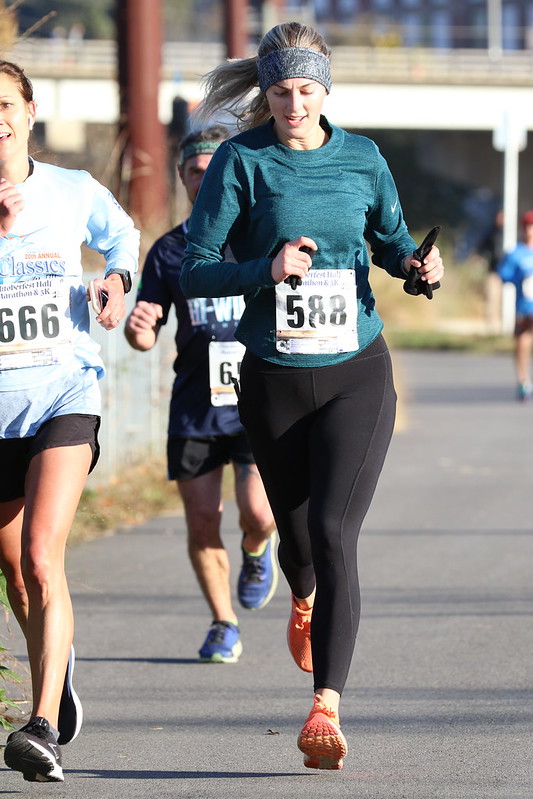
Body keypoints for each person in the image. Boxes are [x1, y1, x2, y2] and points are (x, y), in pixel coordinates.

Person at [180, 22, 444, 770]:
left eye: (305, 90)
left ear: (325, 90)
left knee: (332, 532)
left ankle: (325, 706)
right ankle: (300, 596)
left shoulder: (362, 158)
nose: (293, 103)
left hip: (356, 367)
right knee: (297, 539)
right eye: (280, 91)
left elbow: (391, 242)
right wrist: (264, 268)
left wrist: (416, 268)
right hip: (271, 376)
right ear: (264, 93)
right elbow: (196, 267)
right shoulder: (240, 160)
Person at [0, 61, 139, 782]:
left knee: (40, 558)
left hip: (63, 393)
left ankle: (42, 724)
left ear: (28, 111)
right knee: (17, 584)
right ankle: (61, 668)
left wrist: (115, 282)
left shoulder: (71, 189)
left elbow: (124, 238)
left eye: (5, 104)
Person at [124, 127, 277, 664]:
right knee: (201, 520)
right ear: (185, 178)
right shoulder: (169, 250)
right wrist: (139, 328)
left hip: (256, 398)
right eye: (194, 170)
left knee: (258, 511)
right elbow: (143, 332)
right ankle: (223, 622)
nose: (203, 177)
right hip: (195, 405)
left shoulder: (259, 237)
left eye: (214, 168)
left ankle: (258, 550)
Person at [497, 210, 533, 401]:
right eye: (527, 226)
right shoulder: (516, 253)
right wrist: (521, 277)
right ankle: (523, 380)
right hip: (525, 306)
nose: (530, 230)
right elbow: (504, 274)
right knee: (522, 342)